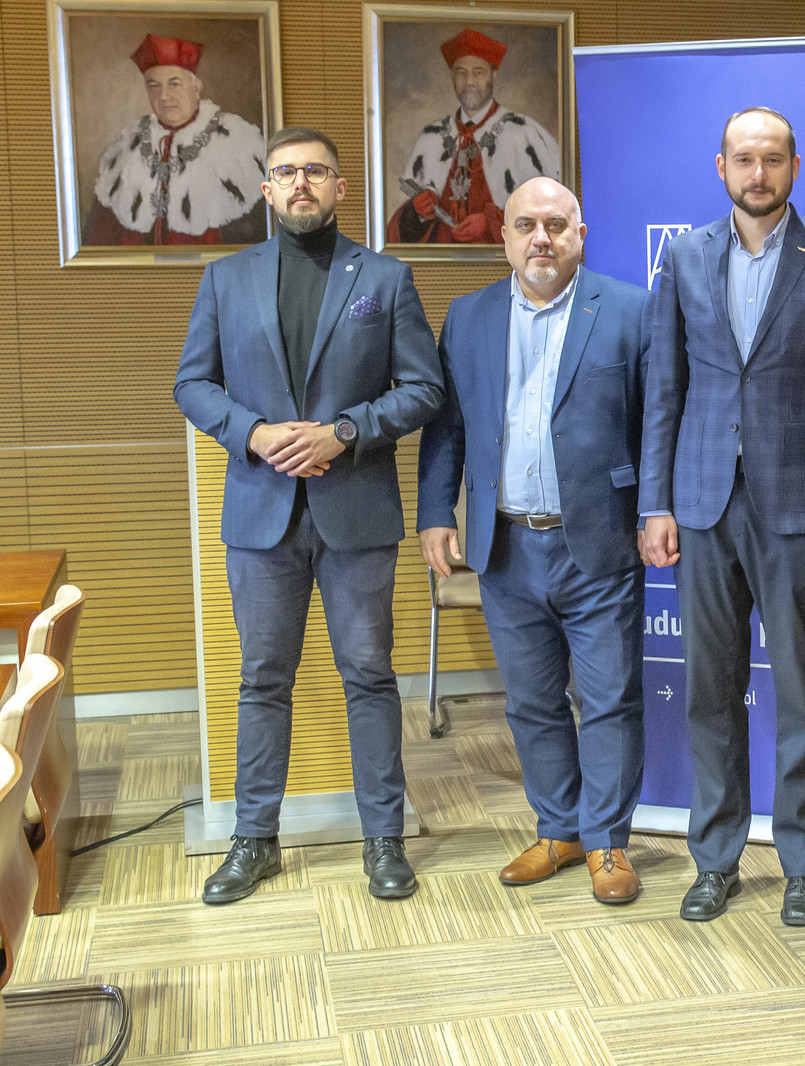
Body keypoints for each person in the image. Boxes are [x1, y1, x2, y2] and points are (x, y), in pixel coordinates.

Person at [174, 126, 444, 904]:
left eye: (316, 171)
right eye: (286, 172)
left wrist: (345, 432)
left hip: (357, 513)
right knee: (262, 679)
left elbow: (424, 388)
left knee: (370, 676)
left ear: (339, 187)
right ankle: (254, 841)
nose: (301, 183)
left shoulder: (385, 278)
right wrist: (255, 433)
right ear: (266, 189)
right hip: (261, 516)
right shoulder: (225, 278)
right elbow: (193, 384)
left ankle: (384, 840)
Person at [640, 106, 805, 927]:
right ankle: (716, 861)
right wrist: (656, 502)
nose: (758, 173)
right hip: (702, 505)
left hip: (800, 507)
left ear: (794, 167)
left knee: (804, 693)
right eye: (744, 158)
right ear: (722, 167)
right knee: (711, 692)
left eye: (772, 158)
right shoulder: (684, 255)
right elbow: (663, 389)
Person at [416, 177, 651, 905]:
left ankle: (608, 841)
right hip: (505, 546)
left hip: (600, 540)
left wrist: (656, 511)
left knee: (608, 700)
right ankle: (559, 831)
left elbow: (658, 422)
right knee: (531, 702)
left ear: (581, 235)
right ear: (505, 237)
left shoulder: (630, 310)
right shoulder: (469, 316)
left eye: (556, 225)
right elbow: (448, 427)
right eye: (526, 225)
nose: (541, 238)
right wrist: (435, 513)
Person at [85, 33, 267, 246]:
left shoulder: (235, 141)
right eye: (154, 86)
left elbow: (253, 235)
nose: (163, 96)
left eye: (174, 84)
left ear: (196, 89)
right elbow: (101, 237)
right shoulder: (128, 146)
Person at [386, 28, 562, 245]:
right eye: (461, 73)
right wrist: (418, 212)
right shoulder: (431, 137)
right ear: (452, 78)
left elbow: (552, 212)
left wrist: (493, 221)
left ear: (494, 77)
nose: (469, 81)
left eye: (478, 72)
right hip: (440, 261)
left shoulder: (524, 132)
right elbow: (401, 234)